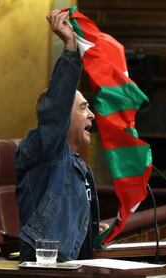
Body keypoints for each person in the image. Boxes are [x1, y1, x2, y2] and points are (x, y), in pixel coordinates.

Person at [14, 9, 108, 262]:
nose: (92, 115)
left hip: (73, 266)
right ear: (63, 116)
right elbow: (56, 107)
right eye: (83, 107)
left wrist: (88, 228)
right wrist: (70, 49)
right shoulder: (43, 150)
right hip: (44, 267)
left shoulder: (78, 164)